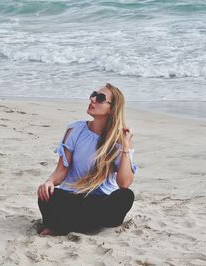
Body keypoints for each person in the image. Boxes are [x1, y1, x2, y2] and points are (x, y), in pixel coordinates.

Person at [37, 83, 137, 235]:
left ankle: (63, 225)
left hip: (99, 202)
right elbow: (61, 170)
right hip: (72, 197)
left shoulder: (119, 141)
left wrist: (125, 147)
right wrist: (49, 182)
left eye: (100, 98)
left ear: (112, 109)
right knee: (48, 195)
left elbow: (124, 183)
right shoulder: (75, 129)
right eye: (93, 94)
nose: (93, 99)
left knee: (125, 196)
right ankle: (79, 224)